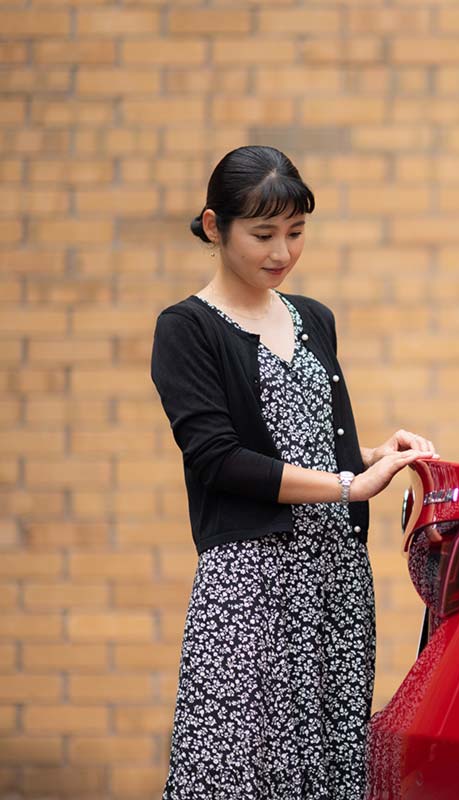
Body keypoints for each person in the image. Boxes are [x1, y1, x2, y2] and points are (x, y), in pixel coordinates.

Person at [150, 145, 436, 798]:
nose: (281, 251)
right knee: (243, 769)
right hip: (252, 587)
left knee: (332, 764)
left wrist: (375, 457)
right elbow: (221, 459)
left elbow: (312, 452)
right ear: (215, 226)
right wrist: (348, 485)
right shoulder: (188, 329)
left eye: (296, 233)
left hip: (336, 580)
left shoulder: (313, 319)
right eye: (263, 234)